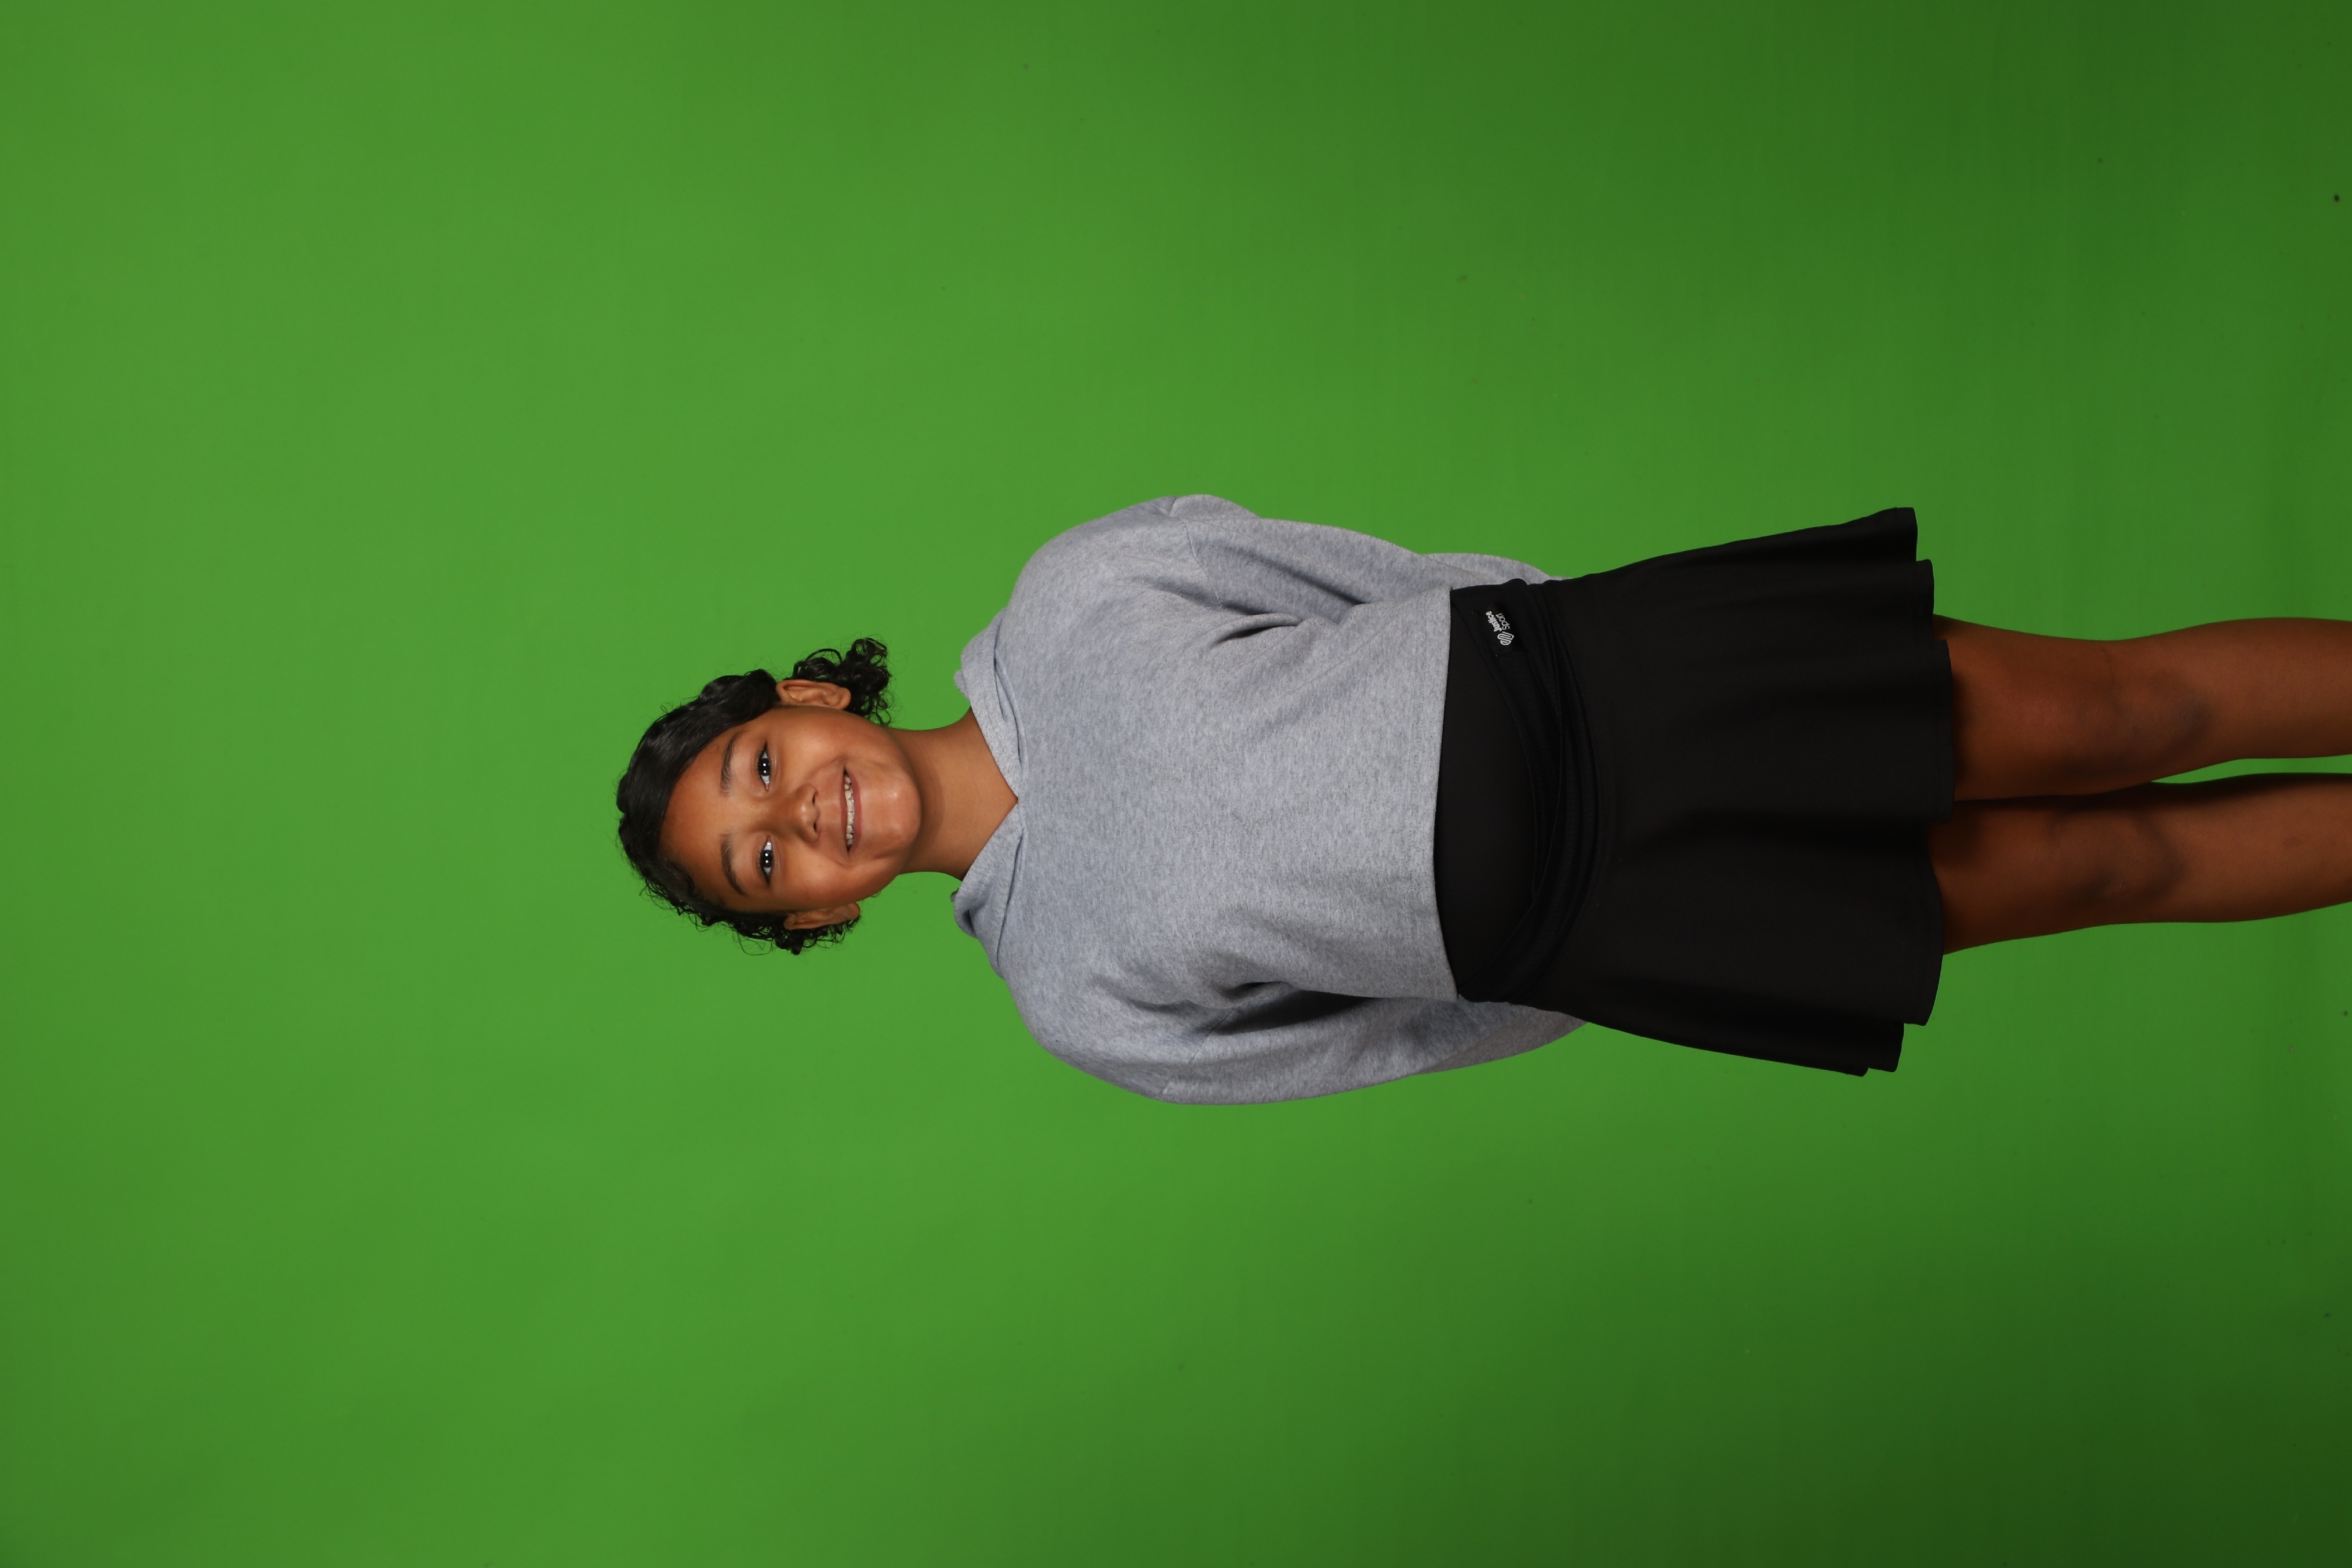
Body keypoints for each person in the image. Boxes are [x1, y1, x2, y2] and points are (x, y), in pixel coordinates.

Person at [615, 495, 2352, 1103]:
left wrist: (1556, 653)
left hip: (1618, 686)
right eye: (762, 867)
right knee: (2102, 868)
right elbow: (1377, 1039)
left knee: (2119, 709)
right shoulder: (1072, 999)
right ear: (813, 917)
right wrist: (1559, 940)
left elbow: (1359, 578)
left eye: (762, 770)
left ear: (811, 700)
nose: (800, 821)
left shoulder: (1073, 597)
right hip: (1607, 920)